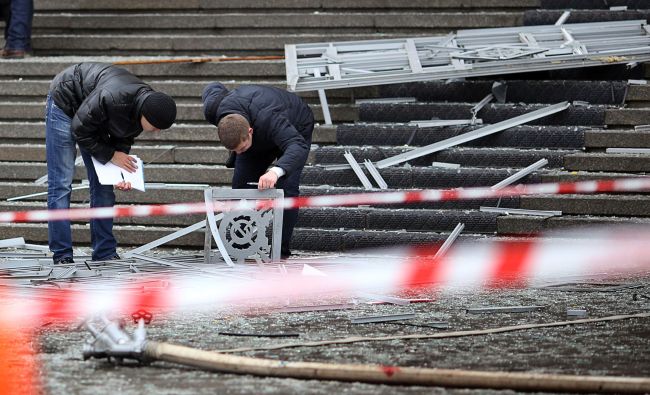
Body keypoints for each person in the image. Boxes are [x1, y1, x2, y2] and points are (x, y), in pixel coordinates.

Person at [46, 62, 177, 264]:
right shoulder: (113, 98)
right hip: (65, 100)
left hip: (92, 115)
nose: (157, 131)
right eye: (156, 126)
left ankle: (104, 252)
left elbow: (123, 138)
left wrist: (119, 174)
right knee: (61, 184)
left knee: (104, 187)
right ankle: (62, 254)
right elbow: (80, 129)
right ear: (145, 115)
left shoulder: (145, 105)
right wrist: (111, 156)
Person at [202, 83, 314, 259]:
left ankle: (280, 251)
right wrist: (242, 152)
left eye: (242, 147)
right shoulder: (214, 109)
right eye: (235, 150)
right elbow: (212, 87)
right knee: (240, 186)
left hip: (295, 125)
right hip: (258, 133)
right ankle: (240, 245)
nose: (240, 153)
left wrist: (276, 171)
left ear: (249, 131)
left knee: (287, 189)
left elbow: (297, 146)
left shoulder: (270, 118)